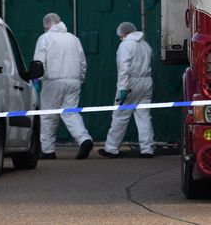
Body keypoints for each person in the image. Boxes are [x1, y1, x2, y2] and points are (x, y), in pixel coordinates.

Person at [34, 12, 93, 160]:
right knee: (71, 112)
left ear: (46, 25)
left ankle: (47, 150)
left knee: (48, 115)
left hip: (52, 81)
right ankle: (84, 139)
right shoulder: (73, 39)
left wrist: (37, 80)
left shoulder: (45, 38)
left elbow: (39, 62)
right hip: (73, 81)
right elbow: (82, 62)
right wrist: (80, 79)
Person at [98, 22, 155, 159]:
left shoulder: (125, 45)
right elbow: (151, 59)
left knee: (120, 116)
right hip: (147, 82)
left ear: (123, 34)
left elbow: (124, 68)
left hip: (131, 83)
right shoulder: (145, 45)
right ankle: (147, 149)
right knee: (144, 117)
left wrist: (122, 88)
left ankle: (111, 148)